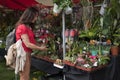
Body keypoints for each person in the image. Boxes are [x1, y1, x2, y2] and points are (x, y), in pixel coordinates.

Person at [15, 6, 47, 80]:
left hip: (27, 54)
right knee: (24, 76)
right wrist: (40, 48)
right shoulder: (22, 27)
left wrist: (40, 44)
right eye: (35, 16)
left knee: (26, 75)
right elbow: (27, 44)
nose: (36, 18)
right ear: (29, 16)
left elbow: (32, 41)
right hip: (23, 54)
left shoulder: (28, 27)